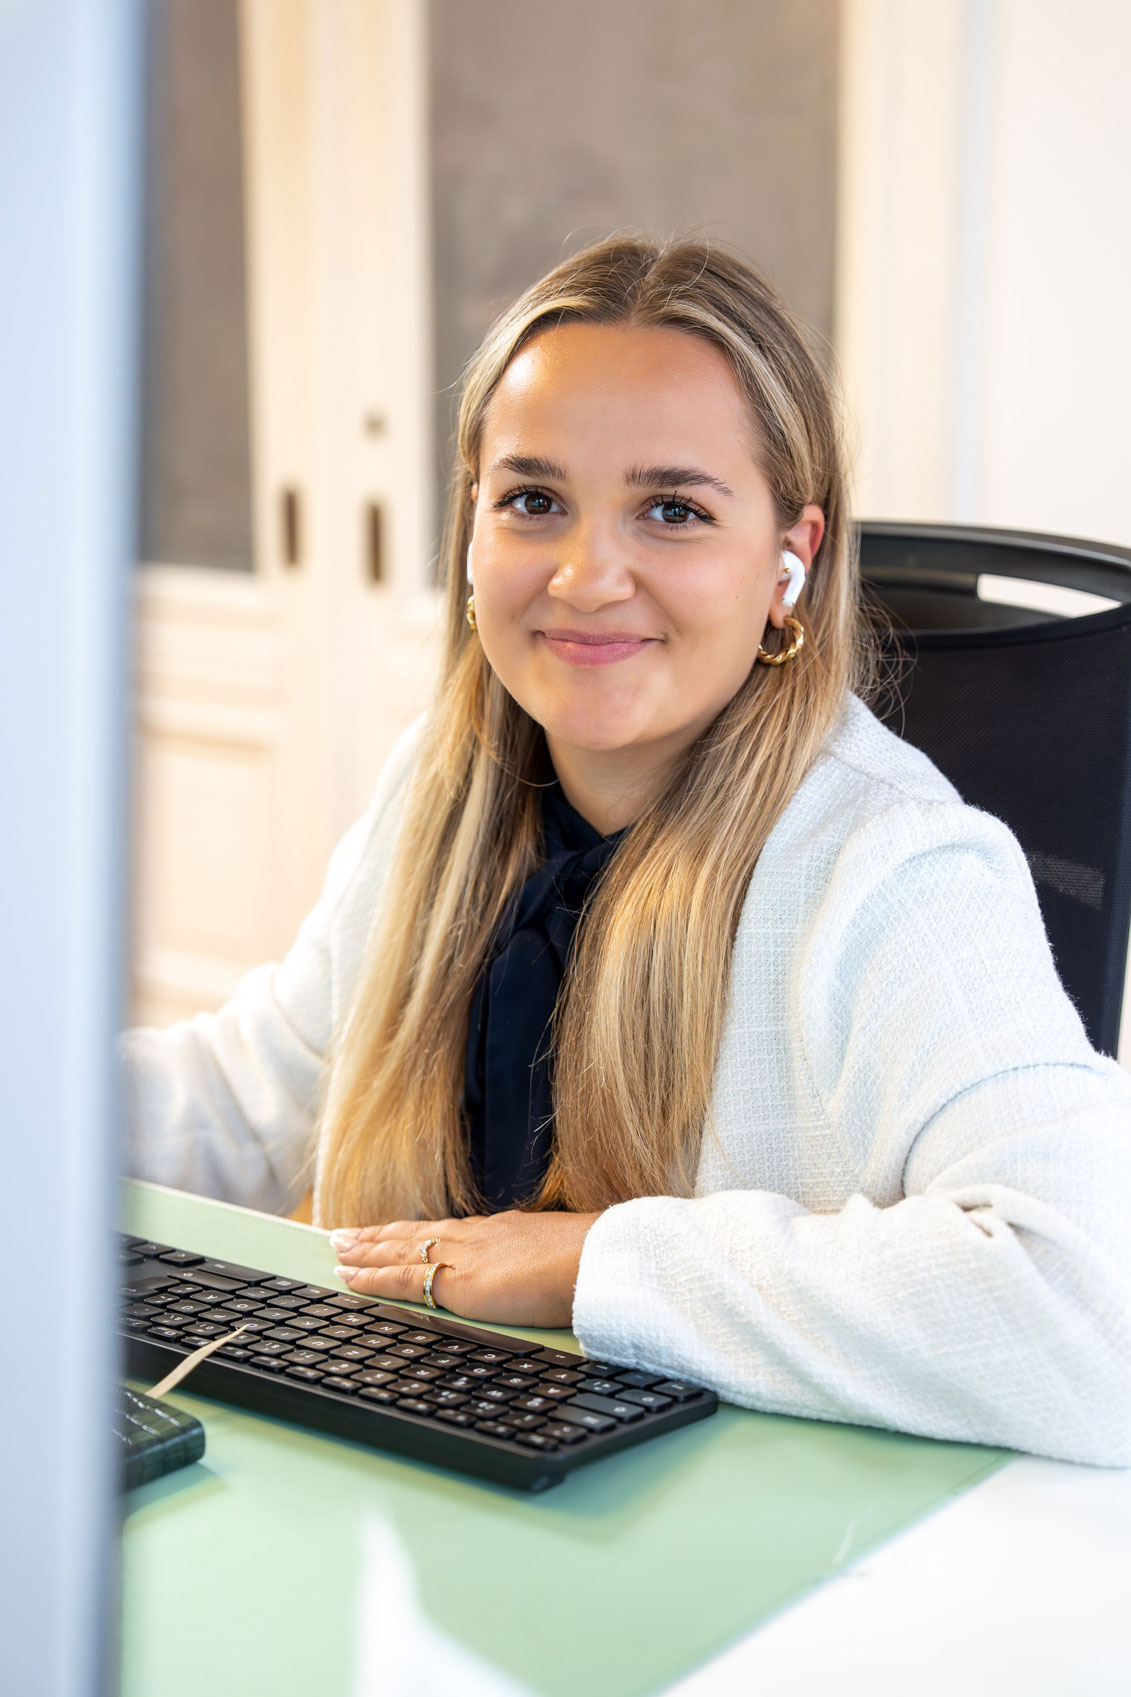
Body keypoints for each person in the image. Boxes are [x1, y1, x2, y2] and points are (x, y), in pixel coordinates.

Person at [122, 234, 1131, 1466]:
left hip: (780, 1566)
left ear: (789, 560)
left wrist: (593, 1261)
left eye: (672, 509)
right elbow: (257, 1086)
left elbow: (1089, 1306)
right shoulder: (446, 794)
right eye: (533, 499)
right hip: (457, 1503)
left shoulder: (900, 868)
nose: (588, 576)